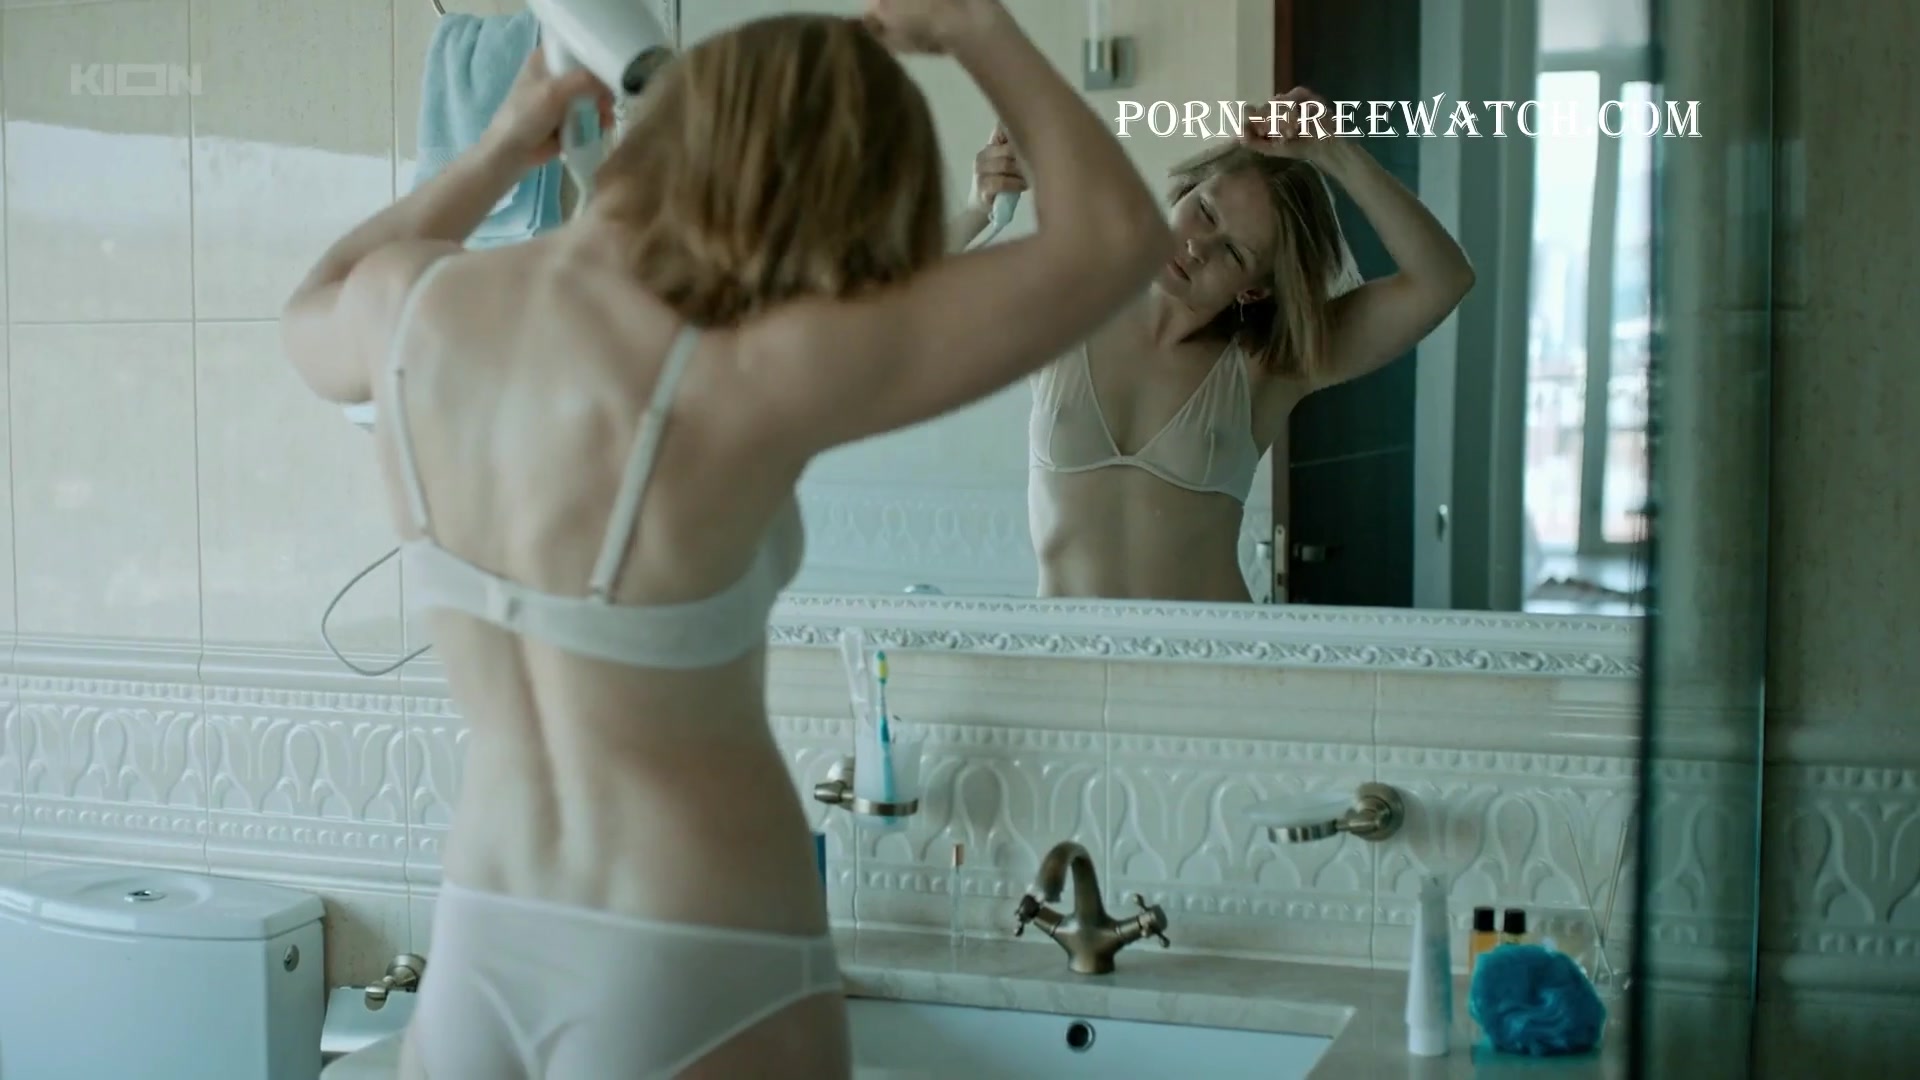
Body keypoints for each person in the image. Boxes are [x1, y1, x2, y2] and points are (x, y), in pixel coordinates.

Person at [278, 1, 1168, 1077]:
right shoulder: (749, 369)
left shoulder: (409, 310)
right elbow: (1117, 241)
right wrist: (978, 29)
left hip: (483, 924)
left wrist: (501, 149)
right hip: (695, 939)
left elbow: (311, 300)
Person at [955, 89, 1476, 603]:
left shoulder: (1270, 366)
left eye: (1233, 251)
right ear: (1185, 190)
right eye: (1204, 212)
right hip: (1066, 652)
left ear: (1255, 289)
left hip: (1209, 655)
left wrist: (1334, 151)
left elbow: (1443, 280)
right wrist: (977, 211)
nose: (1195, 246)